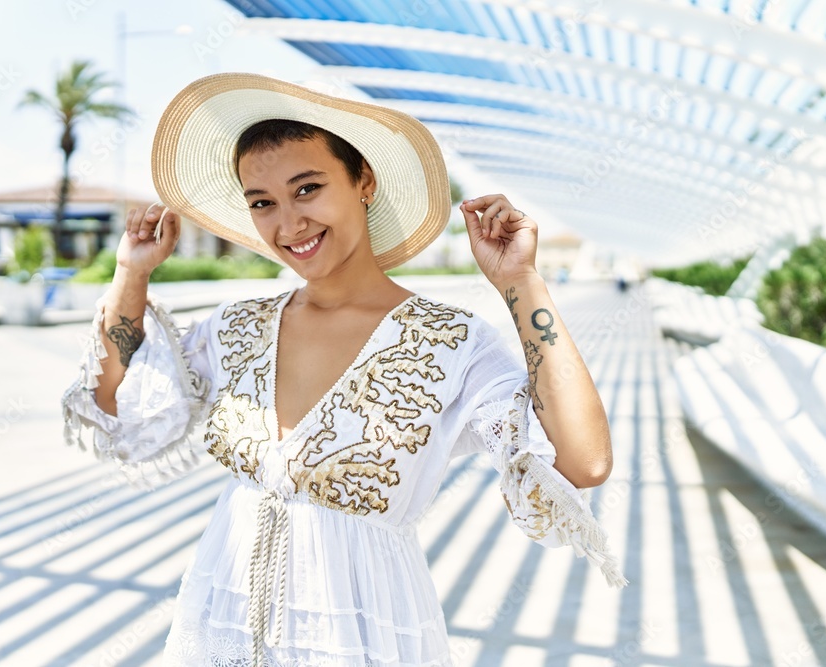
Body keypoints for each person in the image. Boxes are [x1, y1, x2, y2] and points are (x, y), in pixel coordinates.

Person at [61, 73, 626, 667]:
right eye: (263, 202)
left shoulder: (449, 342)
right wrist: (132, 274)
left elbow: (582, 462)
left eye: (307, 188)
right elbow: (116, 413)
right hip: (219, 625)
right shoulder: (238, 329)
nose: (288, 224)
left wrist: (521, 282)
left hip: (364, 638)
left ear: (364, 181)